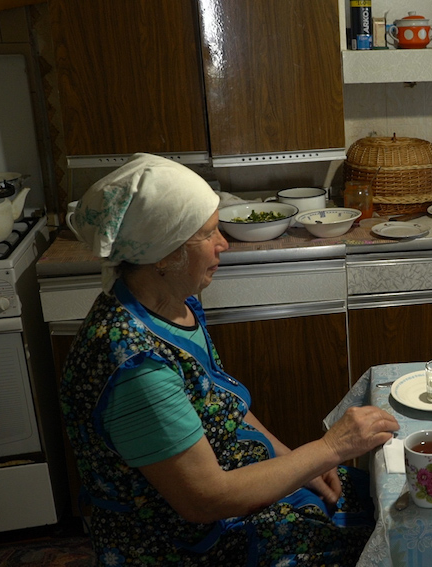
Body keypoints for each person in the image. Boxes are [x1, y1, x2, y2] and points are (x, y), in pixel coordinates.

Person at [59, 153, 400, 566]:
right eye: (207, 234)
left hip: (235, 489)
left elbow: (222, 402)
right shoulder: (135, 365)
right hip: (185, 543)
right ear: (164, 255)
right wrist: (329, 448)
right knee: (385, 541)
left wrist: (298, 461)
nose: (223, 243)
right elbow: (204, 500)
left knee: (382, 495)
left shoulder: (170, 304)